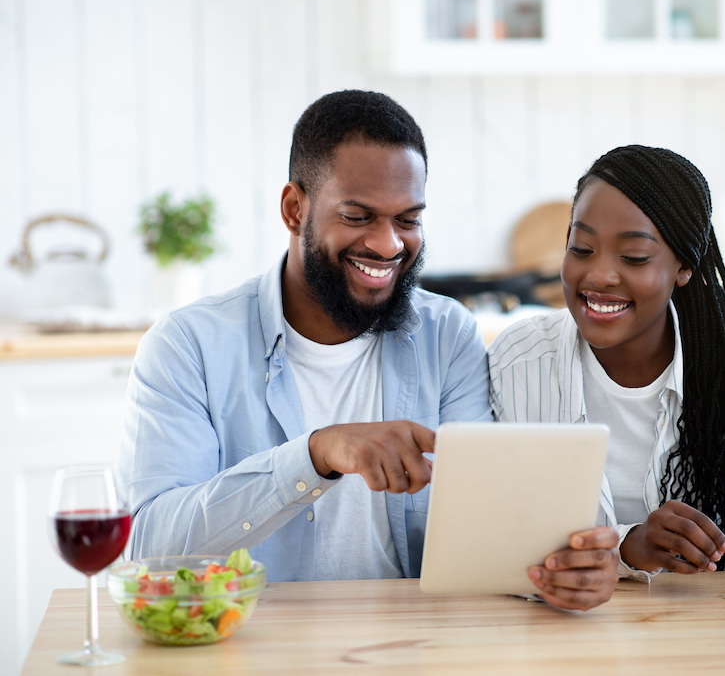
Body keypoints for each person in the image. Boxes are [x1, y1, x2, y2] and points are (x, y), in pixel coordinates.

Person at [118, 90, 617, 610]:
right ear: (294, 209)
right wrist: (317, 453)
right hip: (251, 650)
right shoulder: (188, 346)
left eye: (408, 219)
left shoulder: (447, 336)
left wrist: (559, 571)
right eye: (358, 217)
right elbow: (152, 547)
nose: (388, 245)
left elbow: (483, 529)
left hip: (414, 649)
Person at [488, 145, 725, 581]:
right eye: (581, 248)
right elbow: (502, 542)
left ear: (684, 265)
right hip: (561, 629)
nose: (598, 276)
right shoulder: (518, 360)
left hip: (709, 635)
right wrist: (628, 547)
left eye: (633, 257)